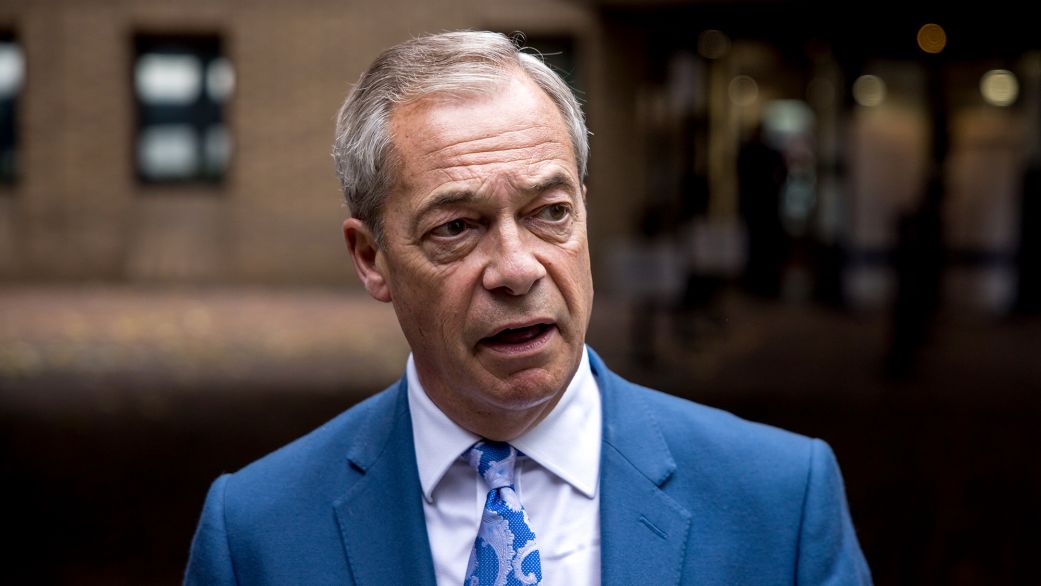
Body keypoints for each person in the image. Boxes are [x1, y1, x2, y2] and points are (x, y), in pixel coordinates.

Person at [184, 31, 871, 585]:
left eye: (549, 213)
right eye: (456, 227)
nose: (517, 269)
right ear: (371, 257)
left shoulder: (779, 500)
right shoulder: (256, 533)